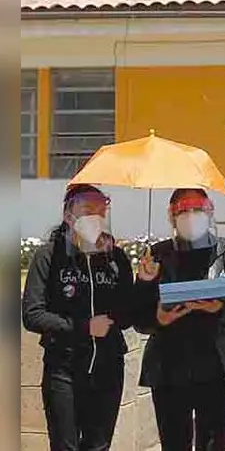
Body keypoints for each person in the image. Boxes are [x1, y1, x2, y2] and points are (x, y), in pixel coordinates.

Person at [132, 188, 225, 451]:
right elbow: (138, 318)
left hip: (217, 365)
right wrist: (156, 312)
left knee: (213, 443)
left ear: (209, 212)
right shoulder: (157, 254)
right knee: (174, 443)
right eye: (183, 210)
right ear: (171, 216)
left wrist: (219, 309)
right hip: (169, 368)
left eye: (197, 208)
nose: (191, 215)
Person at [21, 184, 134, 451]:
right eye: (87, 210)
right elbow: (32, 314)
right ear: (68, 215)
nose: (96, 216)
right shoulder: (49, 256)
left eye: (101, 211)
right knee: (65, 445)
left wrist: (146, 281)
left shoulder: (115, 258)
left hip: (108, 368)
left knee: (98, 446)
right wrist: (83, 327)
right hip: (64, 368)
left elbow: (127, 315)